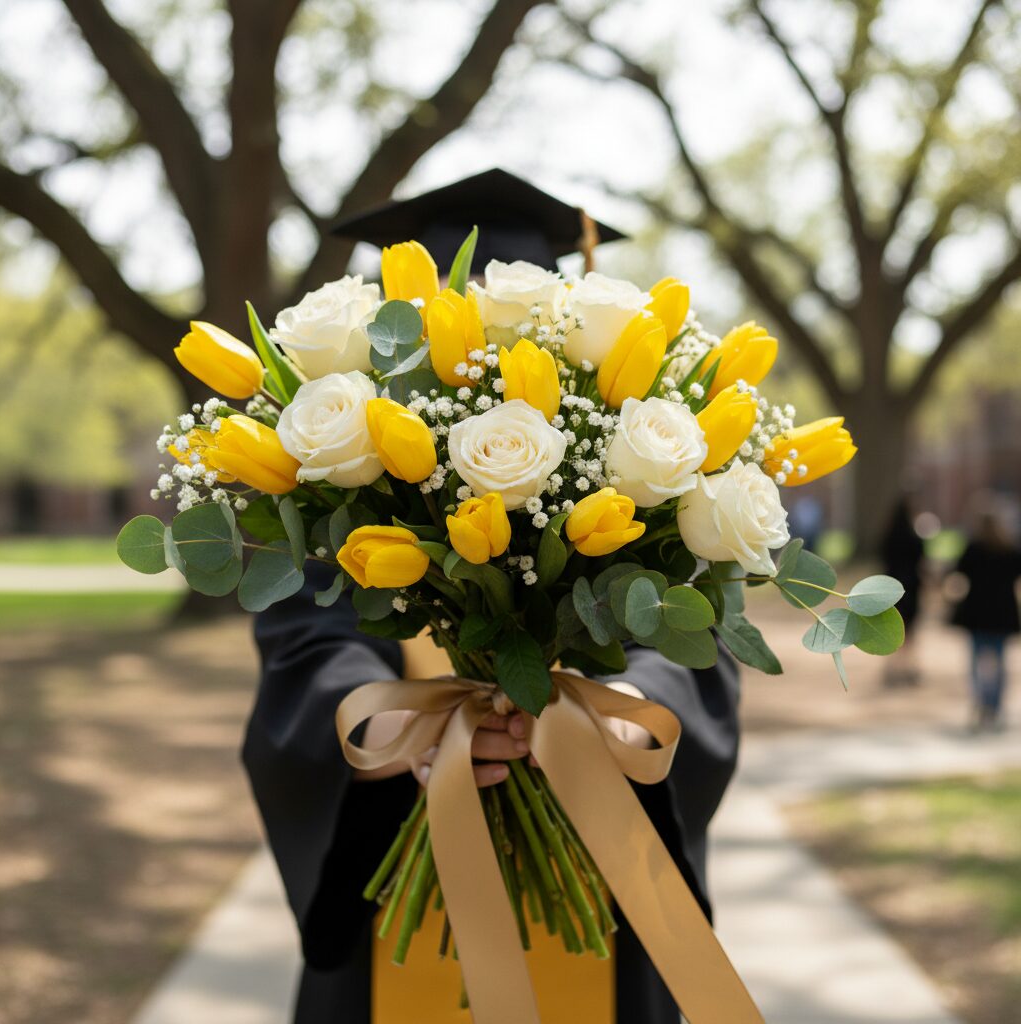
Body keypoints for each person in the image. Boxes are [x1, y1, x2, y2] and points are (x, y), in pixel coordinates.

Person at [242, 169, 742, 1024]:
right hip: (397, 854)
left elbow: (689, 628)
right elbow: (308, 640)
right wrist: (387, 726)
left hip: (600, 854)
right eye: (443, 314)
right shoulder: (334, 475)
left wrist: (618, 708)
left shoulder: (628, 453)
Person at [950, 497, 1021, 731]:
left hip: (977, 612)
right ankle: (995, 705)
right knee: (999, 662)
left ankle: (980, 702)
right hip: (1002, 613)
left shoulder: (973, 548)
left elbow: (958, 575)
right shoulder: (1010, 549)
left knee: (976, 662)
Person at [880, 494, 926, 687]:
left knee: (891, 629)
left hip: (890, 588)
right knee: (910, 631)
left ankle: (892, 668)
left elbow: (881, 557)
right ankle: (909, 668)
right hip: (912, 588)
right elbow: (922, 560)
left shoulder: (888, 536)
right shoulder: (915, 537)